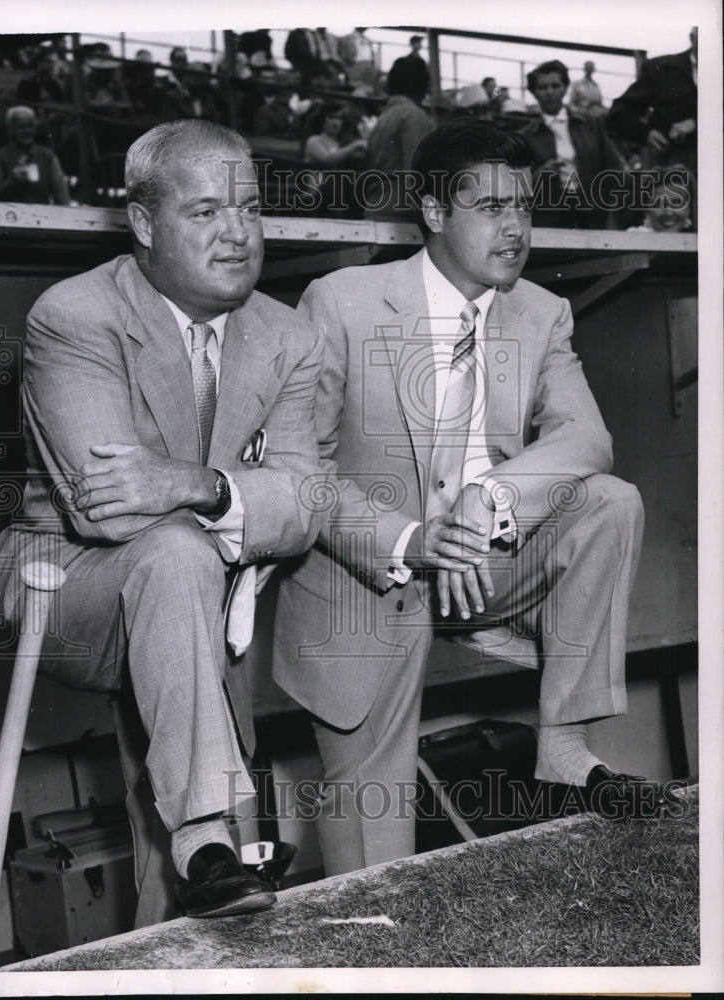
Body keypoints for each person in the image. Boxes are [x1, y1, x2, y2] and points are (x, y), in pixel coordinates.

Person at [273, 119, 675, 877]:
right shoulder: (341, 302)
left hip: (485, 569)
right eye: (490, 207)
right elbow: (300, 473)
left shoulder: (538, 311)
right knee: (374, 870)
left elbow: (585, 438)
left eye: (522, 206)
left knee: (607, 502)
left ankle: (562, 751)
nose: (516, 227)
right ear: (432, 212)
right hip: (368, 574)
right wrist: (408, 538)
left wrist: (486, 496)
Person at [0, 120, 323, 922]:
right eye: (206, 213)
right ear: (143, 225)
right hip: (64, 582)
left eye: (249, 210)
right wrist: (243, 494)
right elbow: (106, 509)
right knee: (171, 552)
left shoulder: (288, 334)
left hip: (194, 595)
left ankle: (197, 867)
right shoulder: (73, 313)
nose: (237, 235)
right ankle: (207, 839)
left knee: (185, 867)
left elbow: (308, 506)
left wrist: (196, 484)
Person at [520, 59, 624, 228]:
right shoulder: (526, 136)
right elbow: (512, 186)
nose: (549, 92)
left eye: (555, 86)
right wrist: (538, 174)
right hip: (548, 217)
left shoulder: (590, 126)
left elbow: (614, 168)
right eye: (542, 87)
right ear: (534, 93)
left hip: (592, 213)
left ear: (565, 88)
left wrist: (610, 209)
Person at [607, 27, 697, 175]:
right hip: (676, 175)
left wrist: (695, 123)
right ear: (693, 37)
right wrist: (645, 133)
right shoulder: (663, 69)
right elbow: (618, 114)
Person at [362, 55, 434, 221]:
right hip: (399, 216)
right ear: (423, 84)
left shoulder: (385, 116)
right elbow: (414, 178)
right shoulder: (414, 116)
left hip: (377, 209)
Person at [0, 106, 70, 205]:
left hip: (42, 216)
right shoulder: (0, 157)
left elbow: (61, 192)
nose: (27, 131)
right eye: (21, 127)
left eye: (30, 127)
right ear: (11, 129)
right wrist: (12, 182)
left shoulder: (47, 156)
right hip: (11, 216)